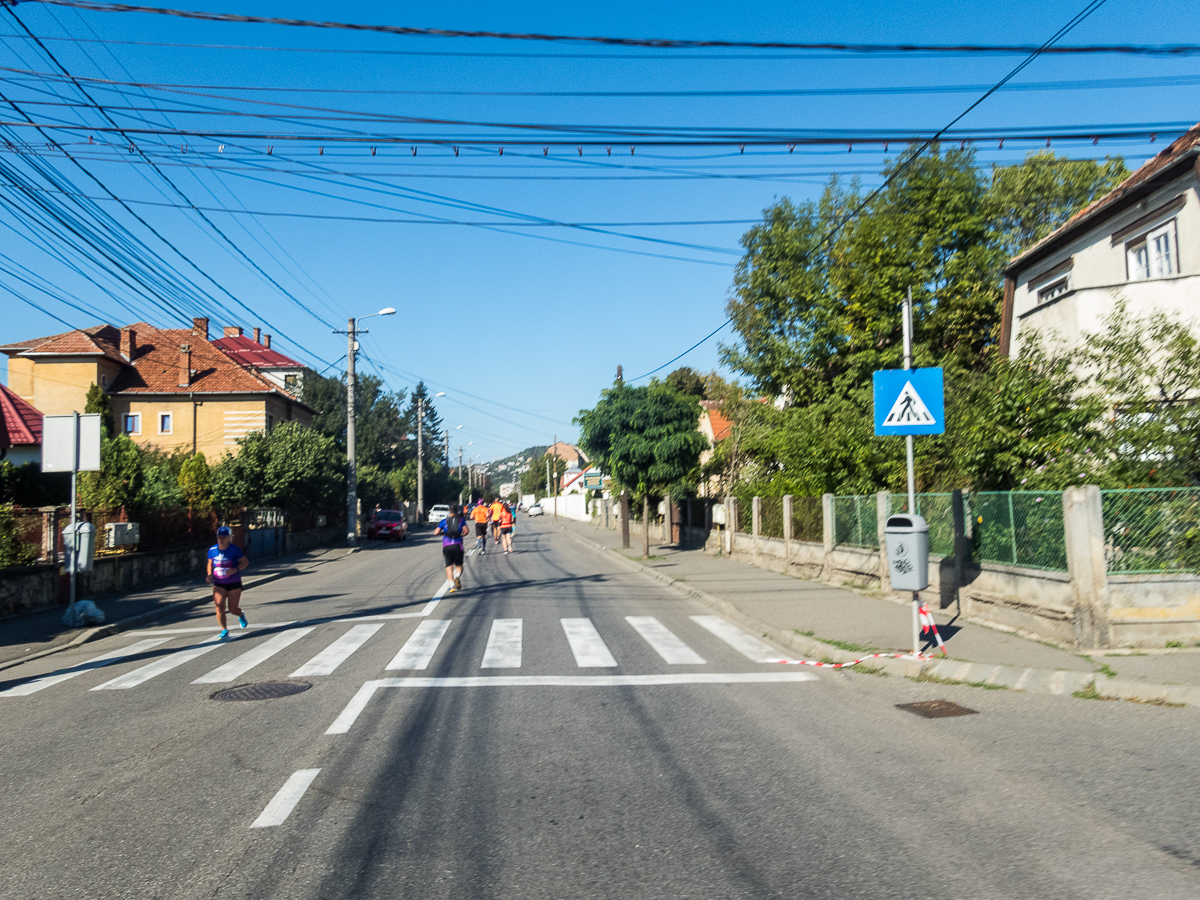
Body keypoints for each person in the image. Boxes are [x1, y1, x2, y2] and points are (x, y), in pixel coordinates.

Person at [207, 525, 250, 640]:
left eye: (224, 537)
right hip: (219, 583)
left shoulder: (234, 549)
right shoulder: (212, 550)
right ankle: (224, 630)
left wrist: (234, 570)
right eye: (219, 537)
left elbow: (245, 562)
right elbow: (210, 563)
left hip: (233, 582)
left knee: (232, 609)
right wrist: (209, 574)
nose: (221, 539)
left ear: (229, 537)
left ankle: (240, 614)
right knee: (219, 607)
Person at [435, 503, 469, 591]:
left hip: (447, 545)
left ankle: (451, 585)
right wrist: (461, 535)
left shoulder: (444, 521)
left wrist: (443, 533)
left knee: (449, 565)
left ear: (449, 511)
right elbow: (466, 531)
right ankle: (457, 576)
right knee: (459, 564)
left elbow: (436, 532)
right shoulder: (461, 520)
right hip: (458, 545)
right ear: (457, 511)